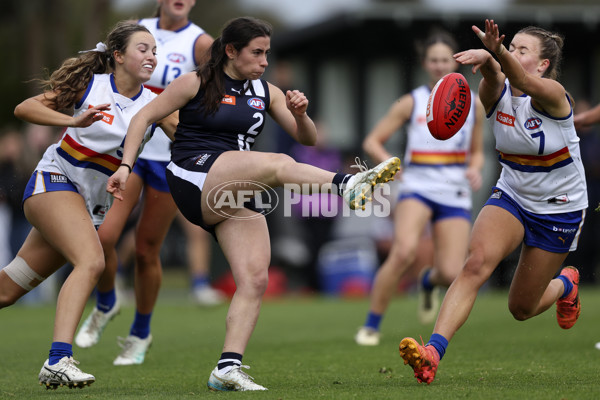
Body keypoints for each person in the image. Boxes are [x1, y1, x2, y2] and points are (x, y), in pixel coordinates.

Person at [107, 16, 400, 391]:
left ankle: (226, 368)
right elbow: (143, 116)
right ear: (231, 51)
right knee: (278, 164)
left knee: (255, 278)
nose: (264, 62)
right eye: (257, 53)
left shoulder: (267, 91)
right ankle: (349, 184)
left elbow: (306, 139)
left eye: (267, 54)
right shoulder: (195, 82)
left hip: (235, 185)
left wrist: (300, 114)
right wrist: (126, 166)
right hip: (192, 175)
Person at [399, 19, 587, 384]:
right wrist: (488, 60)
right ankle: (432, 353)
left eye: (521, 50)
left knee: (521, 308)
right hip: (513, 194)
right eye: (510, 46)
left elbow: (524, 81)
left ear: (544, 64)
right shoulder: (494, 95)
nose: (512, 52)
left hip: (559, 207)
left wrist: (495, 51)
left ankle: (566, 283)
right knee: (475, 264)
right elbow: (496, 80)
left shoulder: (551, 94)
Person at [0, 21, 177, 389]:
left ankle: (58, 358)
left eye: (154, 51)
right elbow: (24, 108)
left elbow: (193, 142)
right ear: (118, 56)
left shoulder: (157, 104)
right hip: (53, 183)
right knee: (93, 260)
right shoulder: (90, 86)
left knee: (7, 291)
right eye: (142, 49)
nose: (151, 56)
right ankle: (58, 359)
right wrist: (71, 119)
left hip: (83, 207)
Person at [74, 0, 220, 367]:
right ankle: (107, 302)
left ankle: (140, 332)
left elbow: (215, 91)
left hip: (170, 155)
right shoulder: (134, 29)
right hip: (128, 152)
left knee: (145, 250)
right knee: (103, 238)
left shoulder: (199, 42)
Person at [355, 30, 485, 346]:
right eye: (433, 60)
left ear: (456, 62)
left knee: (452, 271)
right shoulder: (411, 101)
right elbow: (372, 141)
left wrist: (475, 167)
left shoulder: (475, 105)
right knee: (402, 252)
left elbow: (478, 150)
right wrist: (390, 164)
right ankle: (371, 325)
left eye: (445, 60)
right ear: (425, 63)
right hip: (417, 184)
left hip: (454, 187)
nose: (439, 65)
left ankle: (428, 281)